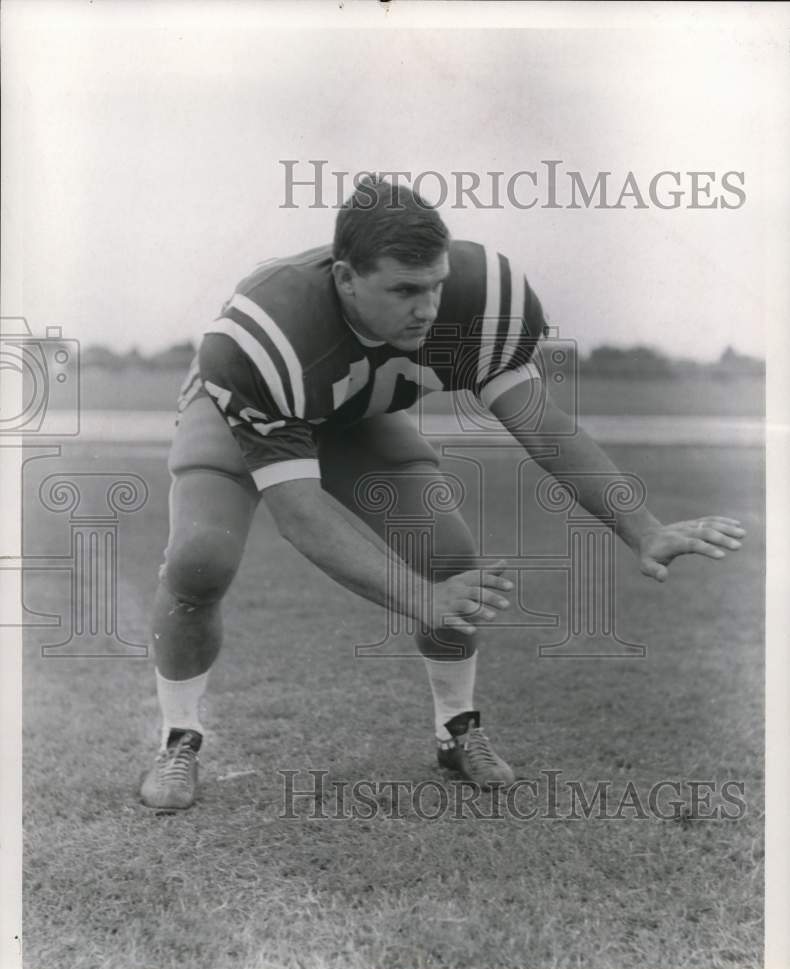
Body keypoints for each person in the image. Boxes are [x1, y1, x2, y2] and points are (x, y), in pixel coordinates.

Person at [140, 176, 745, 809]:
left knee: (449, 555)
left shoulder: (481, 300)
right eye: (403, 290)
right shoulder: (263, 336)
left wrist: (643, 527)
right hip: (250, 409)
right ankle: (178, 736)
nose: (427, 308)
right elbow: (301, 514)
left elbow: (544, 427)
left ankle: (457, 728)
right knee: (200, 559)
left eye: (434, 284)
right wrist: (416, 599)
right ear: (346, 278)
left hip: (358, 410)